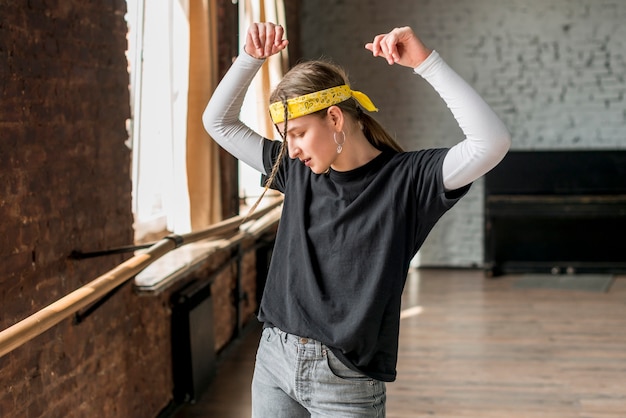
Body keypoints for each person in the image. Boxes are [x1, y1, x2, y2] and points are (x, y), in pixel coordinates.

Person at [203, 22, 510, 418]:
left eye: (297, 133)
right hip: (274, 360)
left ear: (334, 119)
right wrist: (250, 60)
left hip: (346, 382)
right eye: (285, 136)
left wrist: (425, 64)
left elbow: (492, 142)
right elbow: (218, 123)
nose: (291, 149)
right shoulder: (295, 171)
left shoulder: (408, 180)